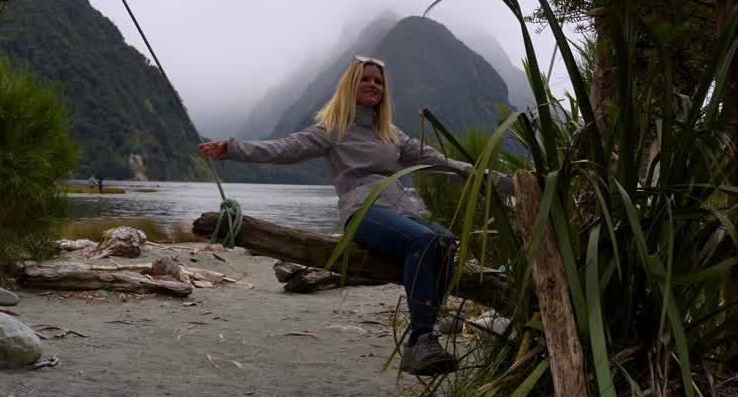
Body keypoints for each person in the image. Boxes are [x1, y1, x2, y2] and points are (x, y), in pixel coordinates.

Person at [199, 55, 513, 375]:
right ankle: (422, 338)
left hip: (403, 213)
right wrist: (233, 149)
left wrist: (507, 183)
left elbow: (441, 163)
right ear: (350, 85)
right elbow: (284, 148)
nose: (373, 85)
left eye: (378, 81)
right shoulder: (333, 129)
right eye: (365, 79)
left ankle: (424, 333)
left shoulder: (391, 135)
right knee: (426, 240)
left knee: (445, 241)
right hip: (363, 211)